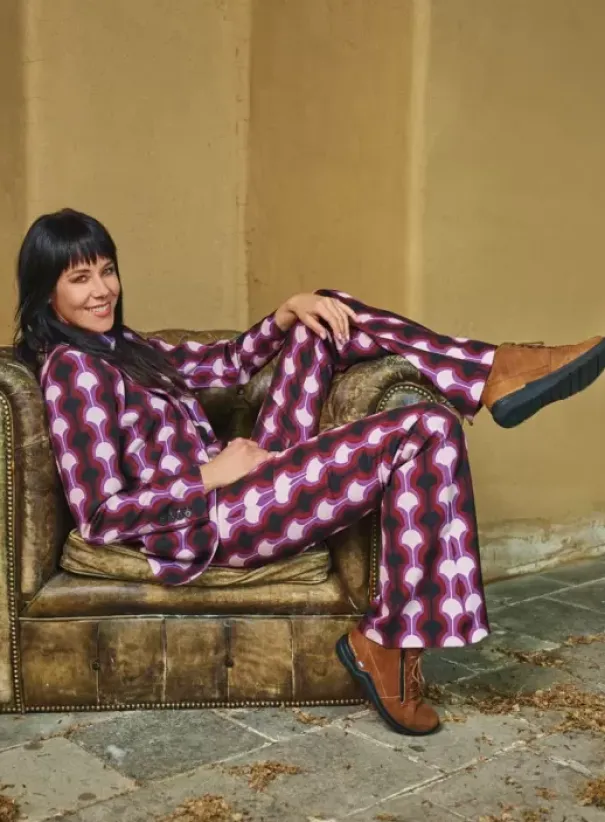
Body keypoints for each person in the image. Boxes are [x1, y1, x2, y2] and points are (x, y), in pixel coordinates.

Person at [14, 208, 605, 737]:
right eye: (80, 278)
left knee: (322, 313)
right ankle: (390, 642)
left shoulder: (123, 347)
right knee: (428, 428)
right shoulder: (74, 372)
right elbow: (99, 515)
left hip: (244, 490)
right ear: (47, 295)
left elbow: (229, 363)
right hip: (212, 524)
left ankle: (496, 371)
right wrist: (210, 476)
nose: (102, 290)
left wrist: (284, 314)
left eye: (107, 270)